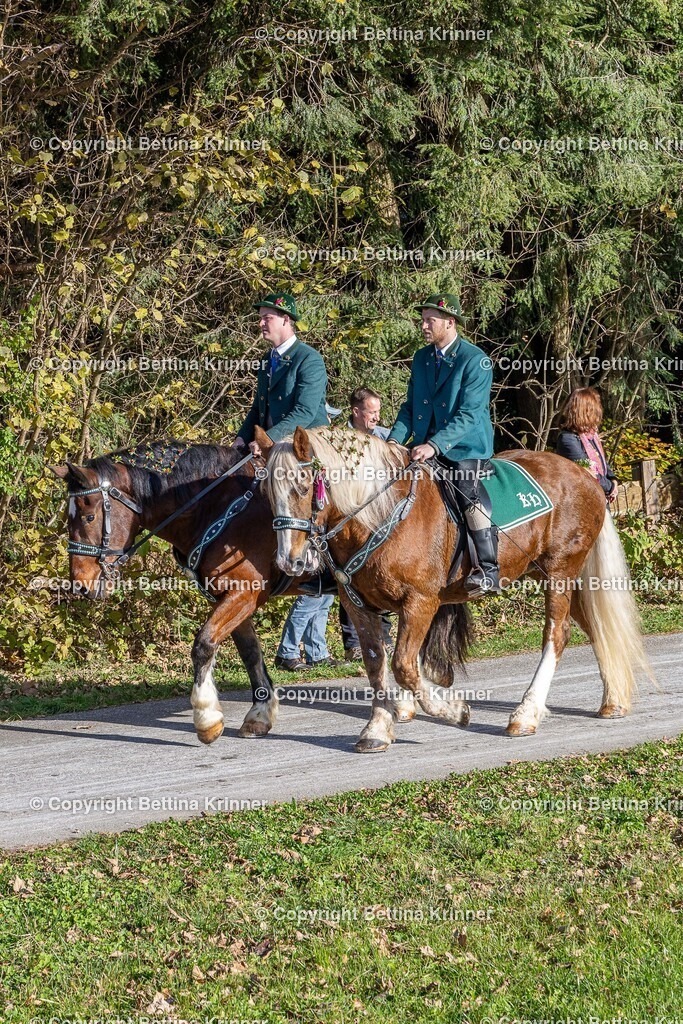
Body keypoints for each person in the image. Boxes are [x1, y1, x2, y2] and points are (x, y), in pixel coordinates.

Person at [387, 292, 498, 595]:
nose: (423, 326)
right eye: (422, 320)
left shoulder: (476, 360)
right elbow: (409, 407)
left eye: (429, 320)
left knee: (468, 494)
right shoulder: (422, 358)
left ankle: (488, 569)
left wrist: (435, 445)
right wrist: (394, 441)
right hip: (423, 445)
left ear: (450, 322)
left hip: (464, 447)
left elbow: (469, 414)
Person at [232, 292, 328, 455]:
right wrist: (242, 437)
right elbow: (258, 408)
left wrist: (268, 438)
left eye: (267, 318)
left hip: (306, 446)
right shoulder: (266, 359)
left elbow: (305, 411)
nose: (260, 323)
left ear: (285, 319)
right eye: (260, 318)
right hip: (272, 445)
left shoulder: (309, 359)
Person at [340, 387, 393, 659]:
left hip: (380, 520)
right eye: (372, 412)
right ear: (356, 411)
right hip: (350, 520)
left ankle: (384, 637)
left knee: (379, 578)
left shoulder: (385, 438)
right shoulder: (340, 440)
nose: (377, 417)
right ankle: (353, 644)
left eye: (378, 411)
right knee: (349, 580)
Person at [555, 387, 618, 503]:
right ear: (585, 411)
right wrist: (610, 488)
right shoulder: (568, 439)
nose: (599, 412)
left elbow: (602, 461)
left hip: (598, 496)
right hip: (581, 502)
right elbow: (588, 472)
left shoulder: (591, 436)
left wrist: (613, 479)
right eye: (595, 408)